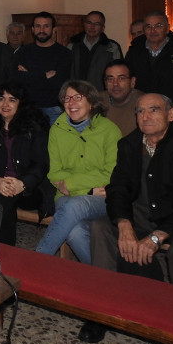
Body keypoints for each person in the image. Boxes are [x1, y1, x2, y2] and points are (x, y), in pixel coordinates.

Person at [81, 93, 173, 344]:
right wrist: (124, 224)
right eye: (140, 111)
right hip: (142, 214)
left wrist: (156, 237)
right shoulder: (128, 145)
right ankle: (101, 310)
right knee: (100, 227)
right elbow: (118, 189)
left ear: (171, 114)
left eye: (154, 110)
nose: (146, 116)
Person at [34, 80, 120, 264]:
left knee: (75, 205)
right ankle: (103, 277)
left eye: (77, 97)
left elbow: (111, 174)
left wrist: (73, 184)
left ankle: (37, 259)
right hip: (65, 196)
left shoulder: (109, 131)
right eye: (66, 98)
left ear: (91, 102)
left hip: (103, 197)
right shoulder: (56, 130)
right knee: (74, 232)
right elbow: (54, 173)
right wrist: (88, 189)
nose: (71, 103)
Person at [0, 81, 52, 246]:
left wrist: (22, 183)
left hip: (29, 189)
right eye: (1, 98)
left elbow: (41, 164)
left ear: (21, 103)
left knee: (2, 200)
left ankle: (2, 253)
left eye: (12, 100)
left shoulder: (35, 127)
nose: (5, 104)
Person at [11, 11, 72, 125]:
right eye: (38, 26)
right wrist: (44, 76)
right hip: (27, 109)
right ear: (33, 29)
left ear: (54, 29)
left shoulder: (64, 54)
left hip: (54, 110)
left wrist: (29, 75)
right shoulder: (22, 53)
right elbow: (17, 80)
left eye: (46, 26)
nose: (42, 30)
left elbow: (58, 84)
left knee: (53, 143)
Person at [66, 11, 122, 91]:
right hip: (77, 95)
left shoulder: (112, 48)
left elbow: (118, 74)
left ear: (103, 28)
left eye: (97, 24)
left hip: (102, 97)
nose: (92, 27)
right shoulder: (72, 46)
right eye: (89, 23)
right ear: (84, 25)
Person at [101, 59, 143, 136]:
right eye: (110, 79)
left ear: (132, 82)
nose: (115, 84)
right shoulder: (95, 102)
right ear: (105, 83)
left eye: (121, 78)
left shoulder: (144, 103)